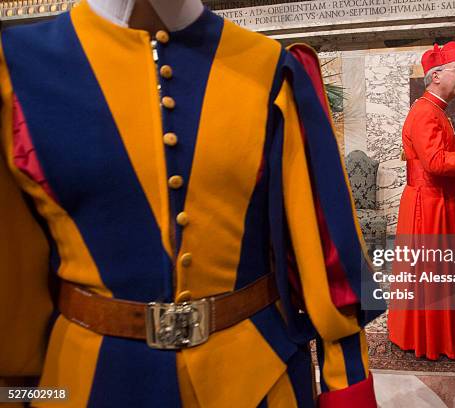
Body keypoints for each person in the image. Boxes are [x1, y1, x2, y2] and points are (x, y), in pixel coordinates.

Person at [0, 1, 381, 406]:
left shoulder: (270, 68)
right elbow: (13, 280)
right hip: (80, 383)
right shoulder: (17, 67)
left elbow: (330, 262)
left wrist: (348, 390)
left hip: (259, 382)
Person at [387, 41, 455, 360]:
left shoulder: (432, 110)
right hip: (427, 205)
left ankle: (424, 335)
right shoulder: (425, 113)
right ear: (435, 76)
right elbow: (436, 162)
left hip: (434, 202)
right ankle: (427, 340)